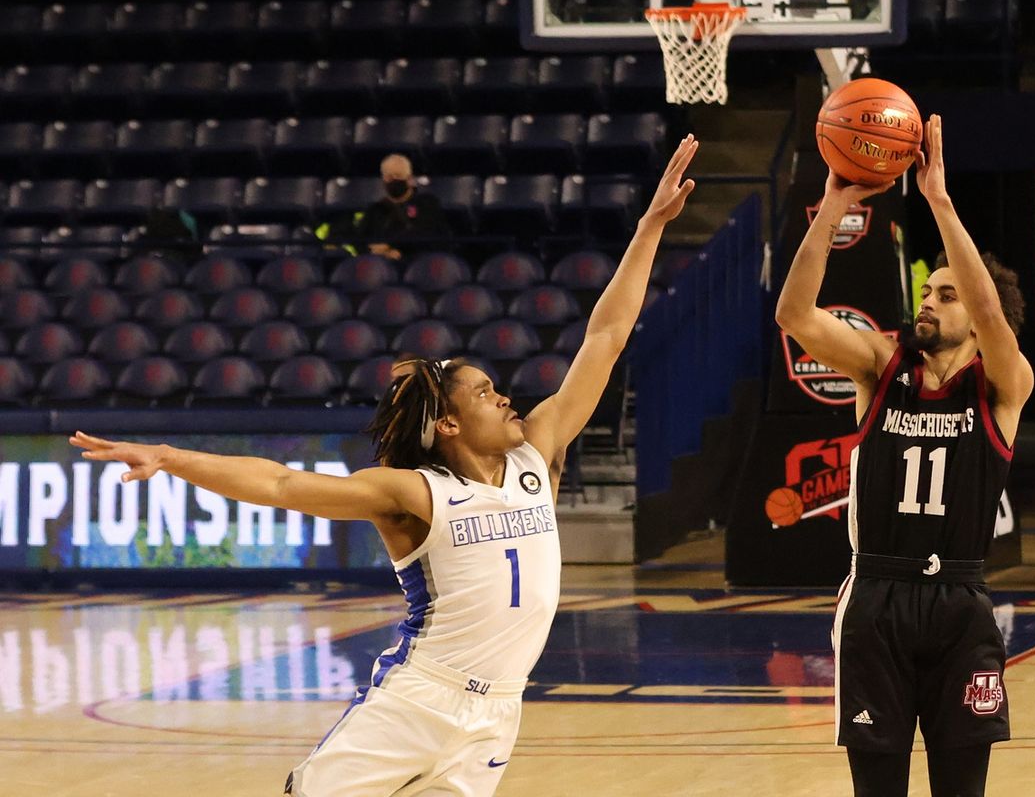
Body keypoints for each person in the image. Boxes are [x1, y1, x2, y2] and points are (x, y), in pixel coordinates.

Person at [69, 135, 699, 797]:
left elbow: (606, 335)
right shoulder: (416, 494)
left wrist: (650, 226)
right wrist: (169, 457)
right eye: (486, 392)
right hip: (416, 701)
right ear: (449, 424)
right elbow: (282, 484)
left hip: (497, 715)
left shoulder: (535, 453)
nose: (507, 395)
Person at [775, 114, 1033, 797]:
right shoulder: (880, 368)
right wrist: (832, 208)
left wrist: (940, 200)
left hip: (961, 603)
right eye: (925, 289)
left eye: (945, 295)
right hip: (877, 598)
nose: (928, 300)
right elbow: (795, 314)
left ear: (978, 320)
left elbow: (992, 312)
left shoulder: (1003, 383)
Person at [358, 153, 451, 260]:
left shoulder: (427, 203)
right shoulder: (375, 209)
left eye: (398, 175)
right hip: (380, 269)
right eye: (389, 177)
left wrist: (390, 245)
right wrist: (381, 253)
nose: (393, 180)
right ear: (383, 179)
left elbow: (424, 233)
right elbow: (361, 241)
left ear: (409, 179)